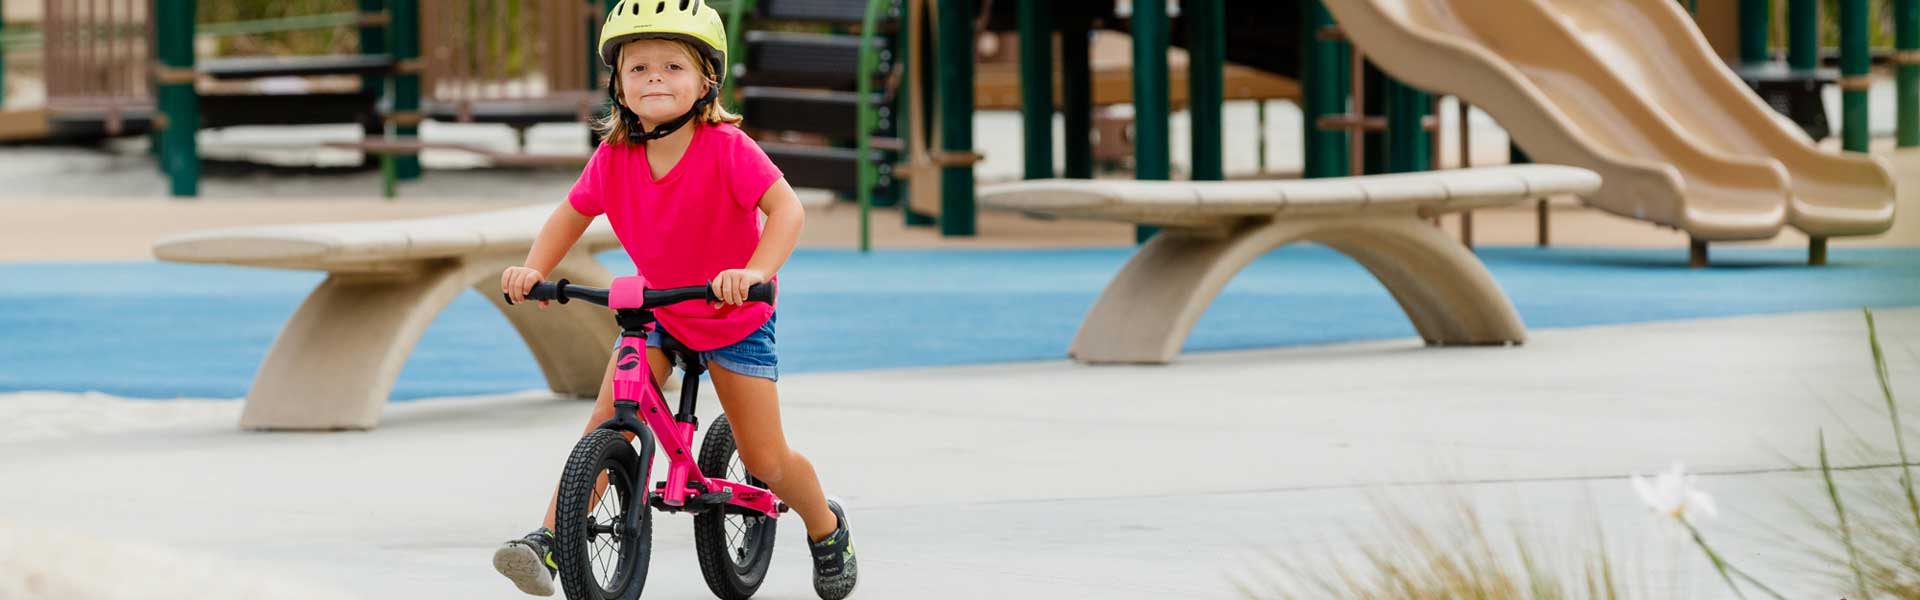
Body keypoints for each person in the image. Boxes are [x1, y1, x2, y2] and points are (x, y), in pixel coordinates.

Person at [490, 1, 856, 597]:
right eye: (638, 69)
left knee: (765, 460)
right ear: (618, 86)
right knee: (606, 422)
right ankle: (551, 542)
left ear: (706, 80)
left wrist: (753, 269)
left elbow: (786, 208)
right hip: (658, 310)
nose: (654, 78)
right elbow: (571, 214)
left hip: (734, 314)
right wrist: (533, 271)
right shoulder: (614, 157)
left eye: (671, 67)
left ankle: (826, 527)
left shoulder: (727, 149)